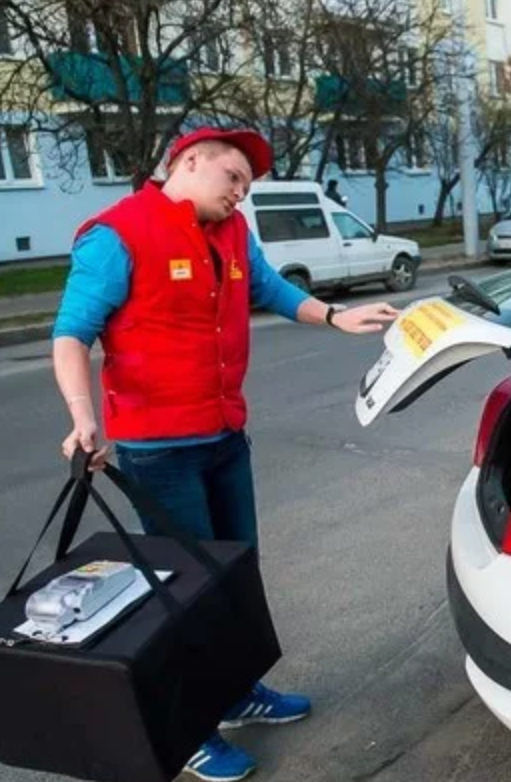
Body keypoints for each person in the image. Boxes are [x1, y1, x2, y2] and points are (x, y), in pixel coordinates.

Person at [51, 127, 399, 782]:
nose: (241, 193)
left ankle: (236, 692)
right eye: (233, 177)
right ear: (189, 162)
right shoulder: (117, 234)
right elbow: (71, 334)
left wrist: (335, 316)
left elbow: (269, 289)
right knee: (185, 595)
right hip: (160, 452)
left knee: (235, 576)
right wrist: (82, 419)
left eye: (247, 184)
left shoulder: (233, 233)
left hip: (222, 439)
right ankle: (190, 730)